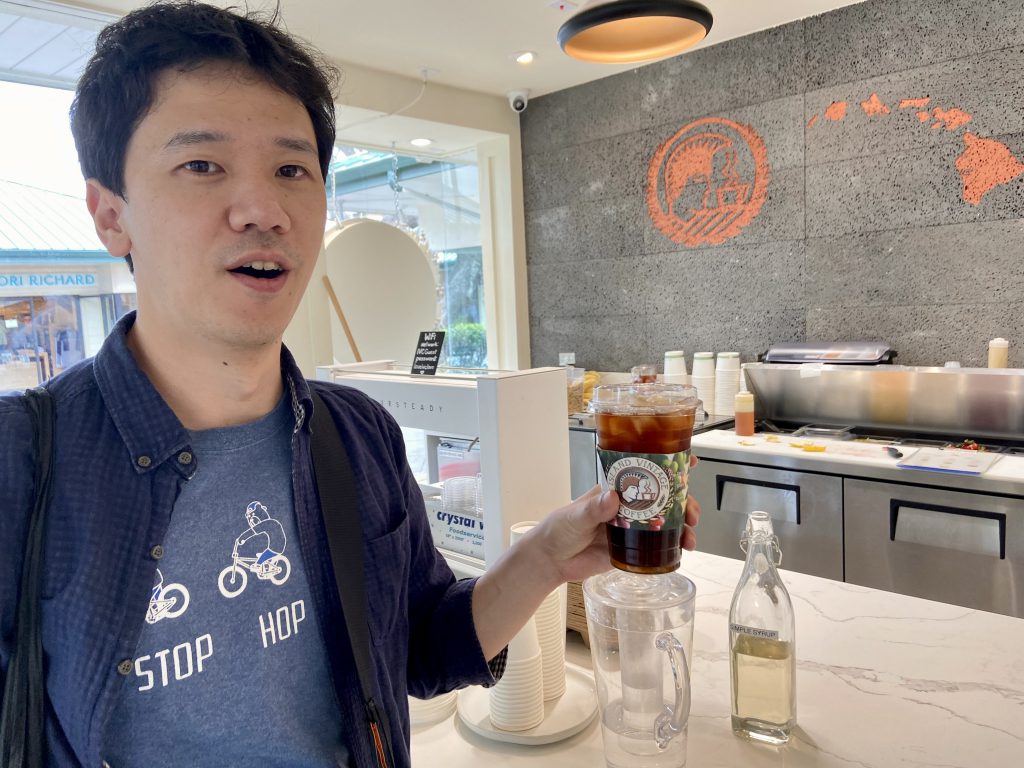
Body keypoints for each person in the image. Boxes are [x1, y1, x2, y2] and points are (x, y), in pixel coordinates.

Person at [0, 3, 701, 767]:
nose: (264, 210)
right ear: (111, 215)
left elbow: (418, 649)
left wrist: (545, 559)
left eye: (292, 170)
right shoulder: (22, 462)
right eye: (202, 165)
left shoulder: (355, 434)